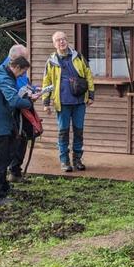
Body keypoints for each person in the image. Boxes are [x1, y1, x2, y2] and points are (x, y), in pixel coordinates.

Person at [0, 56, 40, 205]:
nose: (22, 76)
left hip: (0, 124)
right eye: (22, 72)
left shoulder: (0, 75)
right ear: (16, 68)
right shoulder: (3, 79)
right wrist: (29, 101)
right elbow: (14, 100)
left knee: (5, 157)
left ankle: (3, 189)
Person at [42, 31, 95, 172]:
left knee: (79, 131)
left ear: (67, 41)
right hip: (62, 103)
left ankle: (77, 160)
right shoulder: (51, 62)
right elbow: (46, 82)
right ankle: (64, 161)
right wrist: (46, 102)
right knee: (63, 132)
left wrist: (91, 95)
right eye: (58, 40)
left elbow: (88, 75)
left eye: (64, 39)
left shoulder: (78, 57)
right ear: (54, 44)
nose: (62, 42)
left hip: (79, 102)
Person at [1, 44, 30, 182]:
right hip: (14, 111)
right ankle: (11, 172)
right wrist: (28, 100)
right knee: (15, 140)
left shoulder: (18, 69)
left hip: (22, 107)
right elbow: (13, 93)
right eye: (25, 57)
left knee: (23, 139)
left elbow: (25, 83)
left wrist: (33, 89)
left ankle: (16, 171)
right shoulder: (6, 72)